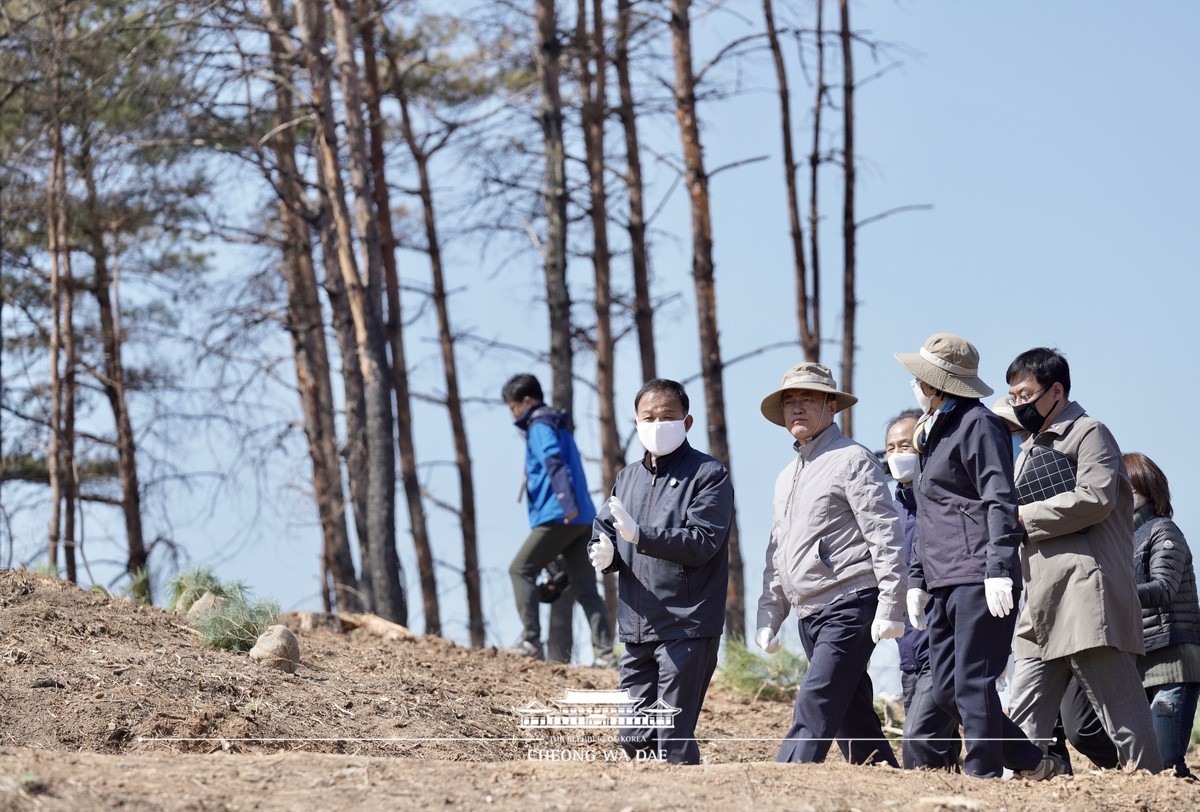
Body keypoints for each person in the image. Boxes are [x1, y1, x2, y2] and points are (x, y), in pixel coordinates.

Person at [895, 333, 1061, 780]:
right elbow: (928, 513)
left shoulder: (977, 424)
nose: (914, 383)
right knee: (948, 690)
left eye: (919, 376)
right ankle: (1034, 761)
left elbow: (997, 497)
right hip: (943, 575)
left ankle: (982, 774)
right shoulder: (934, 430)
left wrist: (997, 569)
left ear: (937, 382)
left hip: (977, 575)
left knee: (973, 684)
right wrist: (917, 579)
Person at [1003, 347, 1162, 773]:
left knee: (1122, 716)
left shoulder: (1090, 432)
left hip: (1083, 594)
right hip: (1039, 600)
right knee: (1023, 716)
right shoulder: (1028, 446)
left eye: (1025, 394)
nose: (1018, 404)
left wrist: (1022, 517)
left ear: (1056, 391)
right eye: (1012, 396)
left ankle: (1152, 791)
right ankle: (1015, 790)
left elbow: (1095, 499)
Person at [754, 362, 905, 767]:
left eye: (808, 398)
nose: (797, 408)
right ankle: (883, 778)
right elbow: (777, 552)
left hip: (850, 603)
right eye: (790, 401)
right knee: (851, 714)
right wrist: (770, 614)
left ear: (831, 405)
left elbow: (886, 534)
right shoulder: (786, 477)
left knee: (816, 700)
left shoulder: (852, 459)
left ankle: (782, 781)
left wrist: (891, 604)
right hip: (809, 613)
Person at [589, 378, 733, 765]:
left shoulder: (709, 475)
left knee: (672, 734)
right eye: (648, 417)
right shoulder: (628, 477)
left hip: (687, 624)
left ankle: (688, 798)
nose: (657, 424)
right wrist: (604, 554)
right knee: (635, 736)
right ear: (635, 424)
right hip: (637, 624)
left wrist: (642, 536)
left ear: (687, 423)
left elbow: (703, 541)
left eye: (667, 417)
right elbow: (606, 526)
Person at [502, 373, 615, 666]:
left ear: (527, 401)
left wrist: (565, 503)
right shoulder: (557, 424)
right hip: (582, 518)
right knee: (585, 587)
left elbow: (553, 460)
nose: (514, 414)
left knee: (520, 570)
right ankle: (605, 654)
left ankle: (530, 640)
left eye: (514, 407)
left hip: (560, 515)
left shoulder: (539, 425)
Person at [884, 408, 961, 771]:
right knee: (936, 750)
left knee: (917, 741)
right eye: (890, 448)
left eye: (905, 445)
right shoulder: (888, 511)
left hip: (942, 644)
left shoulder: (946, 501)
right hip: (908, 653)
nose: (898, 454)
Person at [1124, 452, 1200, 779]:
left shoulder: (1163, 531)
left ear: (1145, 490)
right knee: (1149, 768)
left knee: (1168, 764)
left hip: (1172, 664)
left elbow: (1163, 587)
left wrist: (1115, 594)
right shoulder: (1123, 540)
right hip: (1141, 661)